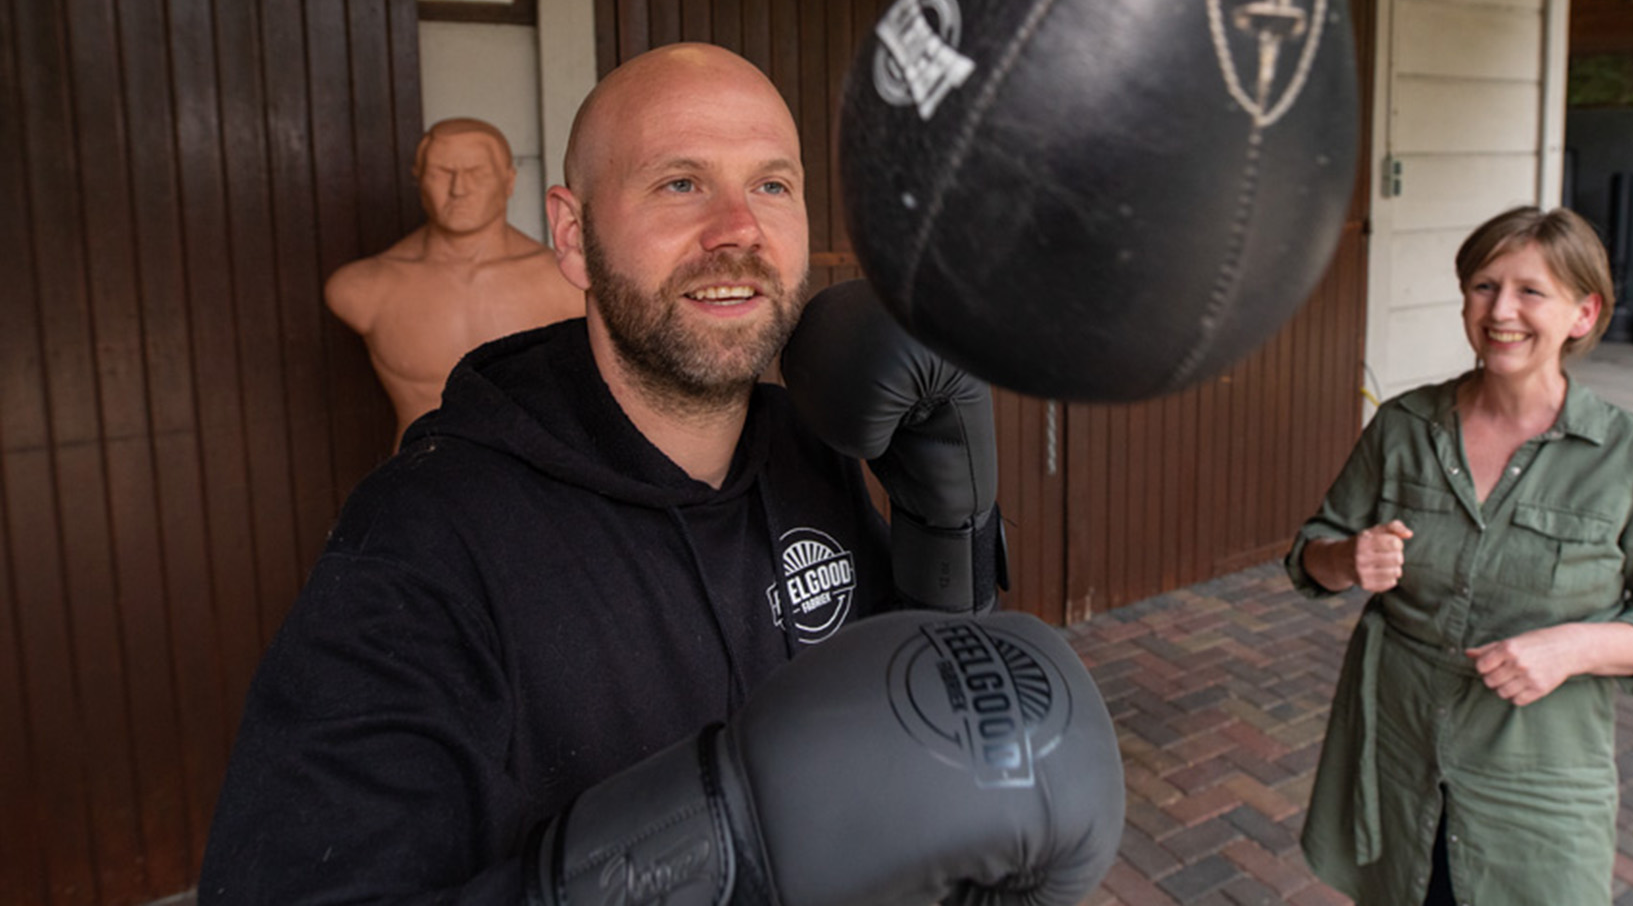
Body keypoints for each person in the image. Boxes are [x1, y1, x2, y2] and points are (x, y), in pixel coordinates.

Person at [196, 44, 1122, 905]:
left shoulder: (810, 450)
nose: (739, 230)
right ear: (571, 234)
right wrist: (707, 846)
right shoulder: (422, 540)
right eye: (681, 183)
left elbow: (906, 734)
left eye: (772, 183)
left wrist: (946, 538)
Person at [1285, 205, 1633, 906]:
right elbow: (1310, 554)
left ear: (1583, 313)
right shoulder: (1405, 426)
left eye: (1530, 291)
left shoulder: (1632, 455)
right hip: (1398, 744)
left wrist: (1571, 647)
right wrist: (1345, 559)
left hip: (1535, 774)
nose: (1500, 310)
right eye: (1483, 286)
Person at [324, 116, 583, 448]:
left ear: (508, 181)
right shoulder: (363, 288)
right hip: (419, 486)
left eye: (476, 173)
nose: (459, 189)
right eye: (441, 173)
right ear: (418, 180)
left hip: (534, 490)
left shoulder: (566, 281)